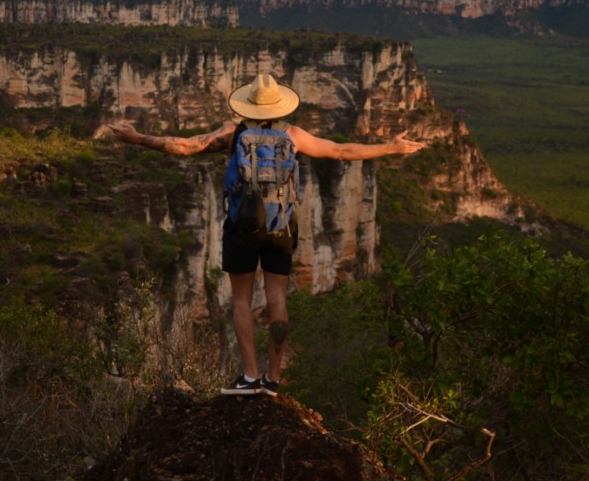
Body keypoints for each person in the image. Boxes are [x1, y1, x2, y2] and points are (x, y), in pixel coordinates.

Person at [108, 73, 426, 397]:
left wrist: (137, 138)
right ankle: (273, 380)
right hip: (281, 227)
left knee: (242, 300)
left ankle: (249, 376)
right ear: (279, 106)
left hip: (242, 226)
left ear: (248, 106)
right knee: (277, 297)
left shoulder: (234, 134)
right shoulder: (294, 135)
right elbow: (341, 151)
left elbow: (187, 146)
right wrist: (391, 147)